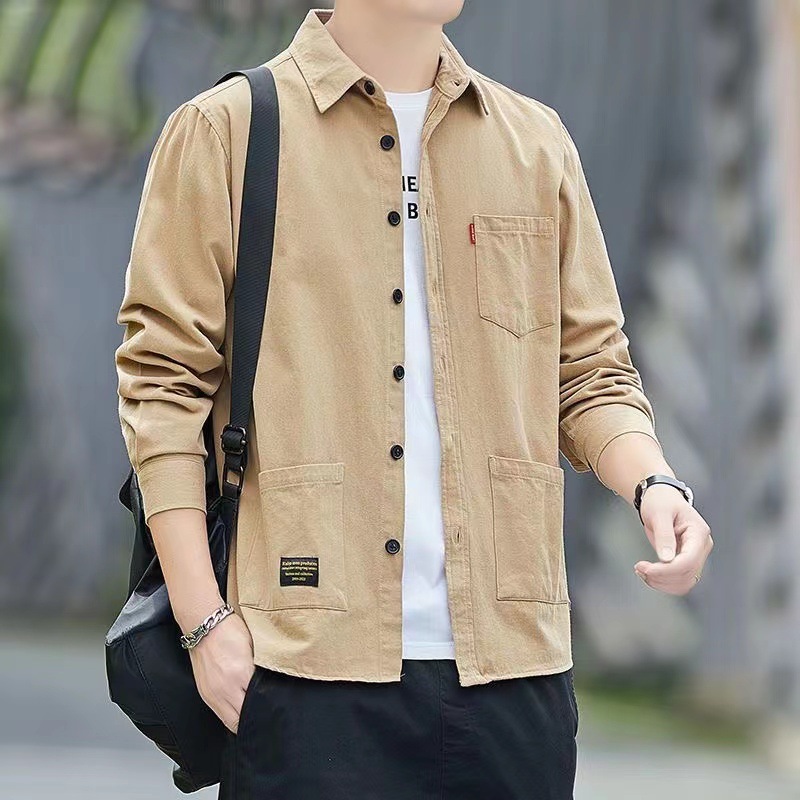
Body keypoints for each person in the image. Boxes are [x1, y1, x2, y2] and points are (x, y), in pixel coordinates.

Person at [115, 2, 714, 798]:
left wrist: (654, 483)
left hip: (513, 674)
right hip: (303, 665)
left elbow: (589, 371)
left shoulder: (535, 143)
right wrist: (204, 624)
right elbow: (163, 383)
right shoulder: (227, 131)